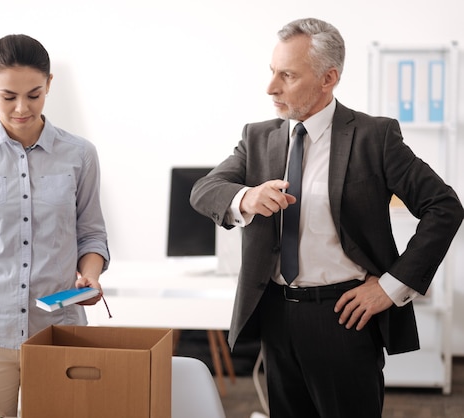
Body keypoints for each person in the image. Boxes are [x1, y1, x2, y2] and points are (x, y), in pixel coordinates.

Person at [190, 18, 463, 418]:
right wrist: (245, 197)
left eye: (287, 75)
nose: (271, 87)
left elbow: (444, 207)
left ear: (327, 78)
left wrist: (390, 288)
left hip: (345, 317)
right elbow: (204, 191)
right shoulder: (258, 137)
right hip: (276, 317)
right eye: (272, 72)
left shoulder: (375, 137)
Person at [0, 34, 110, 416]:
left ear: (48, 85)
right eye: (8, 96)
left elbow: (92, 234)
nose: (21, 108)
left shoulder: (80, 155)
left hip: (59, 331)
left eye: (33, 94)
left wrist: (90, 277)